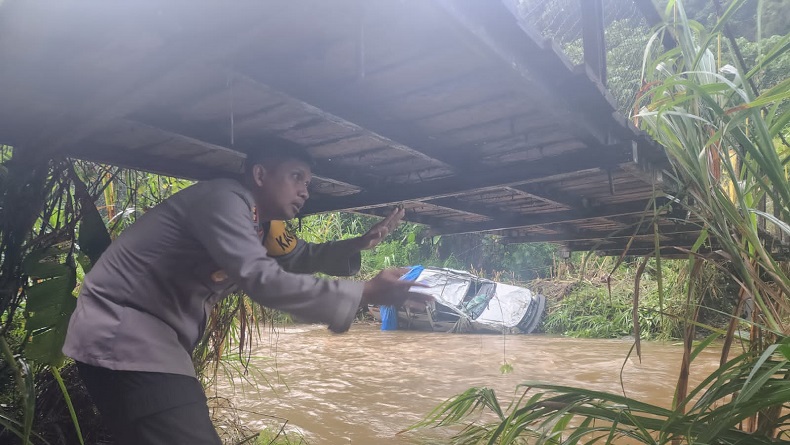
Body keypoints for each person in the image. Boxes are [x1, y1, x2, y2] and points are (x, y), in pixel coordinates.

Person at [62, 136, 428, 445]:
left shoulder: (264, 226)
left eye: (308, 182)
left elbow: (302, 255)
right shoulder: (224, 199)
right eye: (296, 177)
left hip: (151, 341)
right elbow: (261, 278)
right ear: (259, 175)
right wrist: (364, 292)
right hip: (124, 332)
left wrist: (360, 243)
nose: (305, 190)